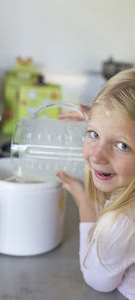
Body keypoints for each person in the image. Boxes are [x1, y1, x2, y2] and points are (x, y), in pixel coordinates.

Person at [56, 68, 135, 300]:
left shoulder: (120, 224)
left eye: (122, 146)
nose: (98, 157)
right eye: (94, 134)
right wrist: (106, 120)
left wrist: (84, 201)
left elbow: (98, 281)